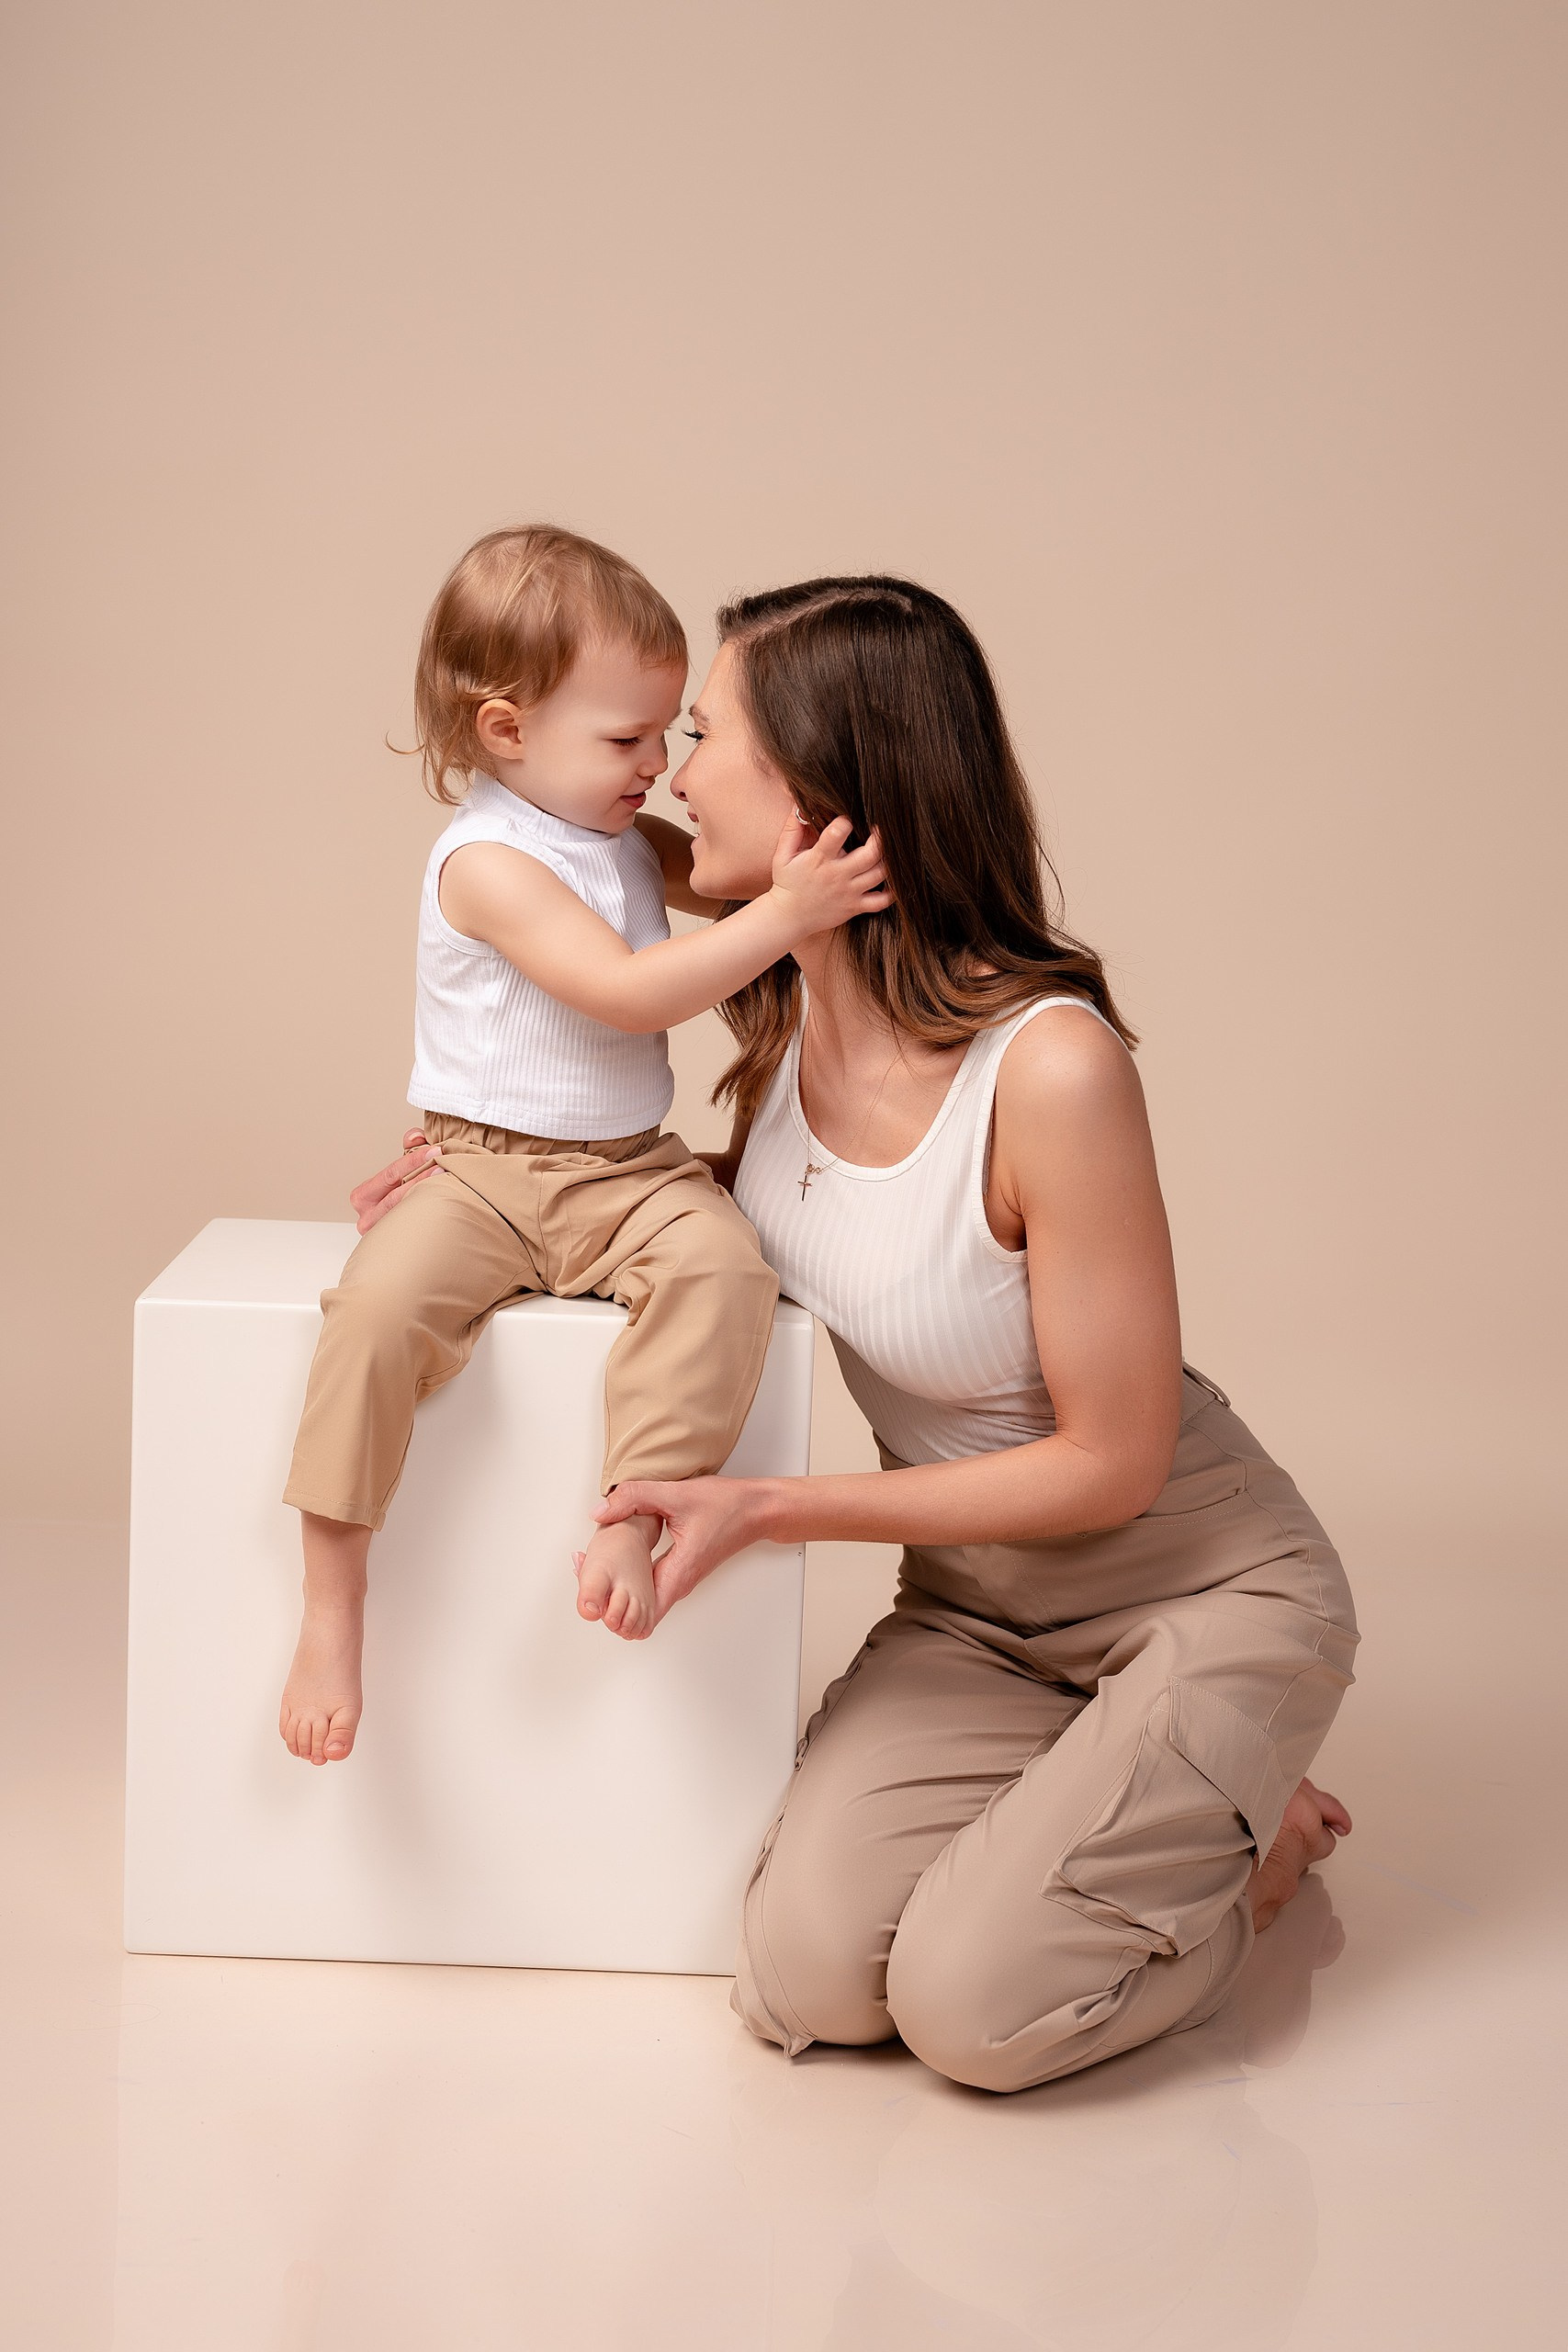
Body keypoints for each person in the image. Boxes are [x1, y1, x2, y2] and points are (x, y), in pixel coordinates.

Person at [359, 571, 1357, 2095]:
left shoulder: (1051, 1068)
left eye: (705, 740)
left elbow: (1110, 1460)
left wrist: (767, 1509)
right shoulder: (791, 1022)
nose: (671, 778)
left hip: (1196, 1583)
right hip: (980, 1613)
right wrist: (514, 1167)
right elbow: (787, 1207)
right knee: (806, 1980)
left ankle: (1245, 1843)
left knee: (974, 2016)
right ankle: (1128, 1791)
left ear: (825, 801)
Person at [277, 529, 888, 1767]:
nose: (659, 770)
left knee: (722, 1272)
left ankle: (635, 1510)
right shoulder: (490, 861)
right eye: (627, 741)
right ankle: (333, 1610)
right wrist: (785, 913)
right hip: (483, 1174)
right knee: (376, 1318)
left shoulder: (611, 831)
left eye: (671, 735)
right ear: (508, 732)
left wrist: (825, 858)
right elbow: (629, 991)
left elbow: (728, 885)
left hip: (625, 1169)